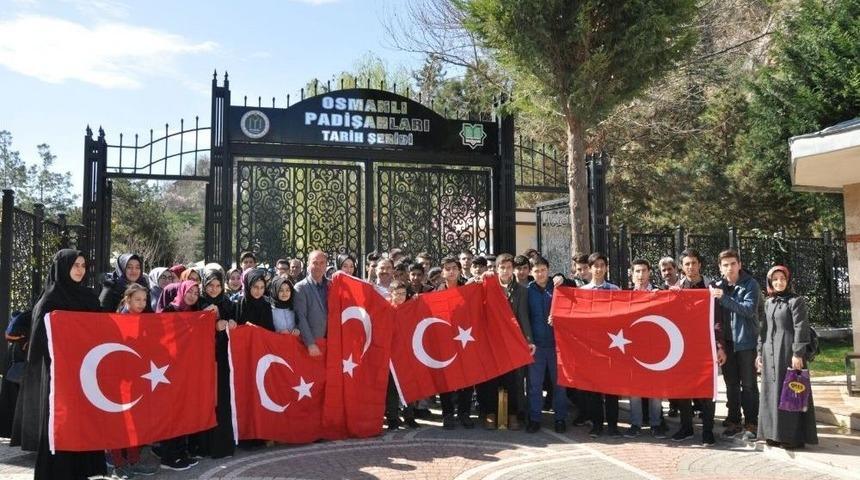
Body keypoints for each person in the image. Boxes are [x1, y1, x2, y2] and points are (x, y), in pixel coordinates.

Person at [15, 249, 107, 479]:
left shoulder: (88, 296)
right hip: (60, 376)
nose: (80, 270)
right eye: (75, 265)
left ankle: (82, 472)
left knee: (84, 422)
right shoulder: (50, 299)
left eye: (83, 265)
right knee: (62, 422)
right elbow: (40, 340)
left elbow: (101, 328)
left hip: (86, 371)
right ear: (62, 267)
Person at [757, 266, 818, 449]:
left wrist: (798, 353)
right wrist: (759, 353)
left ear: (788, 280)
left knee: (791, 392)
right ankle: (773, 434)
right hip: (770, 353)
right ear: (770, 282)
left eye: (782, 278)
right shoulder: (768, 302)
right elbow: (763, 329)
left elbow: (801, 327)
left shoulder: (796, 301)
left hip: (788, 352)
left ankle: (792, 437)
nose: (779, 282)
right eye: (775, 279)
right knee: (772, 393)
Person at [669, 248, 724, 446]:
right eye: (687, 264)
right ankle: (686, 427)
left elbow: (718, 320)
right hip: (682, 347)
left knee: (707, 390)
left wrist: (720, 346)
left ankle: (707, 431)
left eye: (693, 263)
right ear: (681, 267)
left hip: (706, 346)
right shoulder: (676, 289)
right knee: (684, 389)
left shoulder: (712, 287)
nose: (690, 267)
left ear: (700, 264)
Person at [107, 284, 161, 478]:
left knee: (135, 420)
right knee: (118, 421)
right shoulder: (116, 320)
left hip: (138, 377)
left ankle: (133, 459)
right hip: (119, 378)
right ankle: (117, 463)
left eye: (144, 300)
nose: (142, 303)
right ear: (127, 299)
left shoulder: (145, 321)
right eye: (137, 299)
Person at [478, 253, 533, 431]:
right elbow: (471, 291)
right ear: (496, 269)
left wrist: (528, 340)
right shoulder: (487, 286)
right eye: (502, 267)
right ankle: (490, 413)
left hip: (511, 342)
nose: (506, 271)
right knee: (491, 379)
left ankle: (512, 414)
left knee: (513, 380)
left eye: (509, 267)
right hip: (491, 341)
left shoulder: (522, 291)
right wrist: (481, 277)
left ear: (513, 270)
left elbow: (524, 317)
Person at [710, 249, 760, 440]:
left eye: (733, 263)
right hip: (727, 344)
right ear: (720, 268)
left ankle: (752, 423)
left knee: (748, 385)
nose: (729, 268)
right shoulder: (717, 286)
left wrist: (724, 298)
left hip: (746, 342)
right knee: (731, 384)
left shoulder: (750, 284)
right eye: (725, 265)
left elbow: (748, 310)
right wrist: (719, 345)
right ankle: (734, 420)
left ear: (739, 265)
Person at [580, 252, 622, 438]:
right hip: (591, 347)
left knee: (612, 388)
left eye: (601, 265)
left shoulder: (615, 290)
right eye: (595, 266)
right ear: (589, 268)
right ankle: (597, 425)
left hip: (612, 344)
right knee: (594, 388)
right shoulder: (582, 292)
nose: (598, 269)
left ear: (606, 268)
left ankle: (613, 425)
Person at [624, 259, 668, 439]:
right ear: (632, 274)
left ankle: (656, 424)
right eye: (637, 271)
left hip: (655, 348)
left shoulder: (660, 293)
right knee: (634, 389)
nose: (640, 275)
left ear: (649, 272)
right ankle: (636, 424)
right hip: (632, 347)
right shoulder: (625, 296)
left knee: (655, 389)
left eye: (643, 271)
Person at [525, 255, 568, 433]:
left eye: (543, 270)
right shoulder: (528, 290)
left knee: (559, 385)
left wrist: (562, 277)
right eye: (537, 271)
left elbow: (575, 292)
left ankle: (560, 419)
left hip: (557, 345)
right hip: (536, 346)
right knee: (534, 385)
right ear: (531, 272)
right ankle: (534, 419)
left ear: (548, 270)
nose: (540, 274)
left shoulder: (559, 287)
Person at [197, 269, 237, 459]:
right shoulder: (198, 303)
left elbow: (238, 323)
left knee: (221, 400)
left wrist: (232, 323)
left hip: (222, 360)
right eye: (210, 285)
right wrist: (211, 325)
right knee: (205, 400)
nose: (214, 289)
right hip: (202, 360)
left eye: (218, 285)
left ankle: (221, 445)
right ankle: (203, 446)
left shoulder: (228, 304)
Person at [436, 255, 474, 429]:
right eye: (447, 269)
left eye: (454, 268)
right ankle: (448, 413)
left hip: (465, 339)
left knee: (467, 378)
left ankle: (464, 413)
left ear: (459, 271)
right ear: (442, 272)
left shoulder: (468, 289)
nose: (451, 272)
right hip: (444, 342)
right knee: (446, 379)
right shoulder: (434, 293)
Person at [384, 281, 420, 430]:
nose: (400, 297)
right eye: (397, 294)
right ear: (391, 294)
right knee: (392, 389)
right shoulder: (386, 309)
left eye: (403, 294)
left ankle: (409, 416)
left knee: (409, 386)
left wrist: (417, 301)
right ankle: (392, 418)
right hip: (391, 356)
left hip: (407, 354)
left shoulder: (409, 308)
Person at [295, 250, 329, 357]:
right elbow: (301, 317)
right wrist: (310, 343)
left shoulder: (331, 285)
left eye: (322, 263)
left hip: (331, 344)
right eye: (315, 263)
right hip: (312, 346)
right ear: (308, 265)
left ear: (326, 265)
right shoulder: (300, 288)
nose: (318, 266)